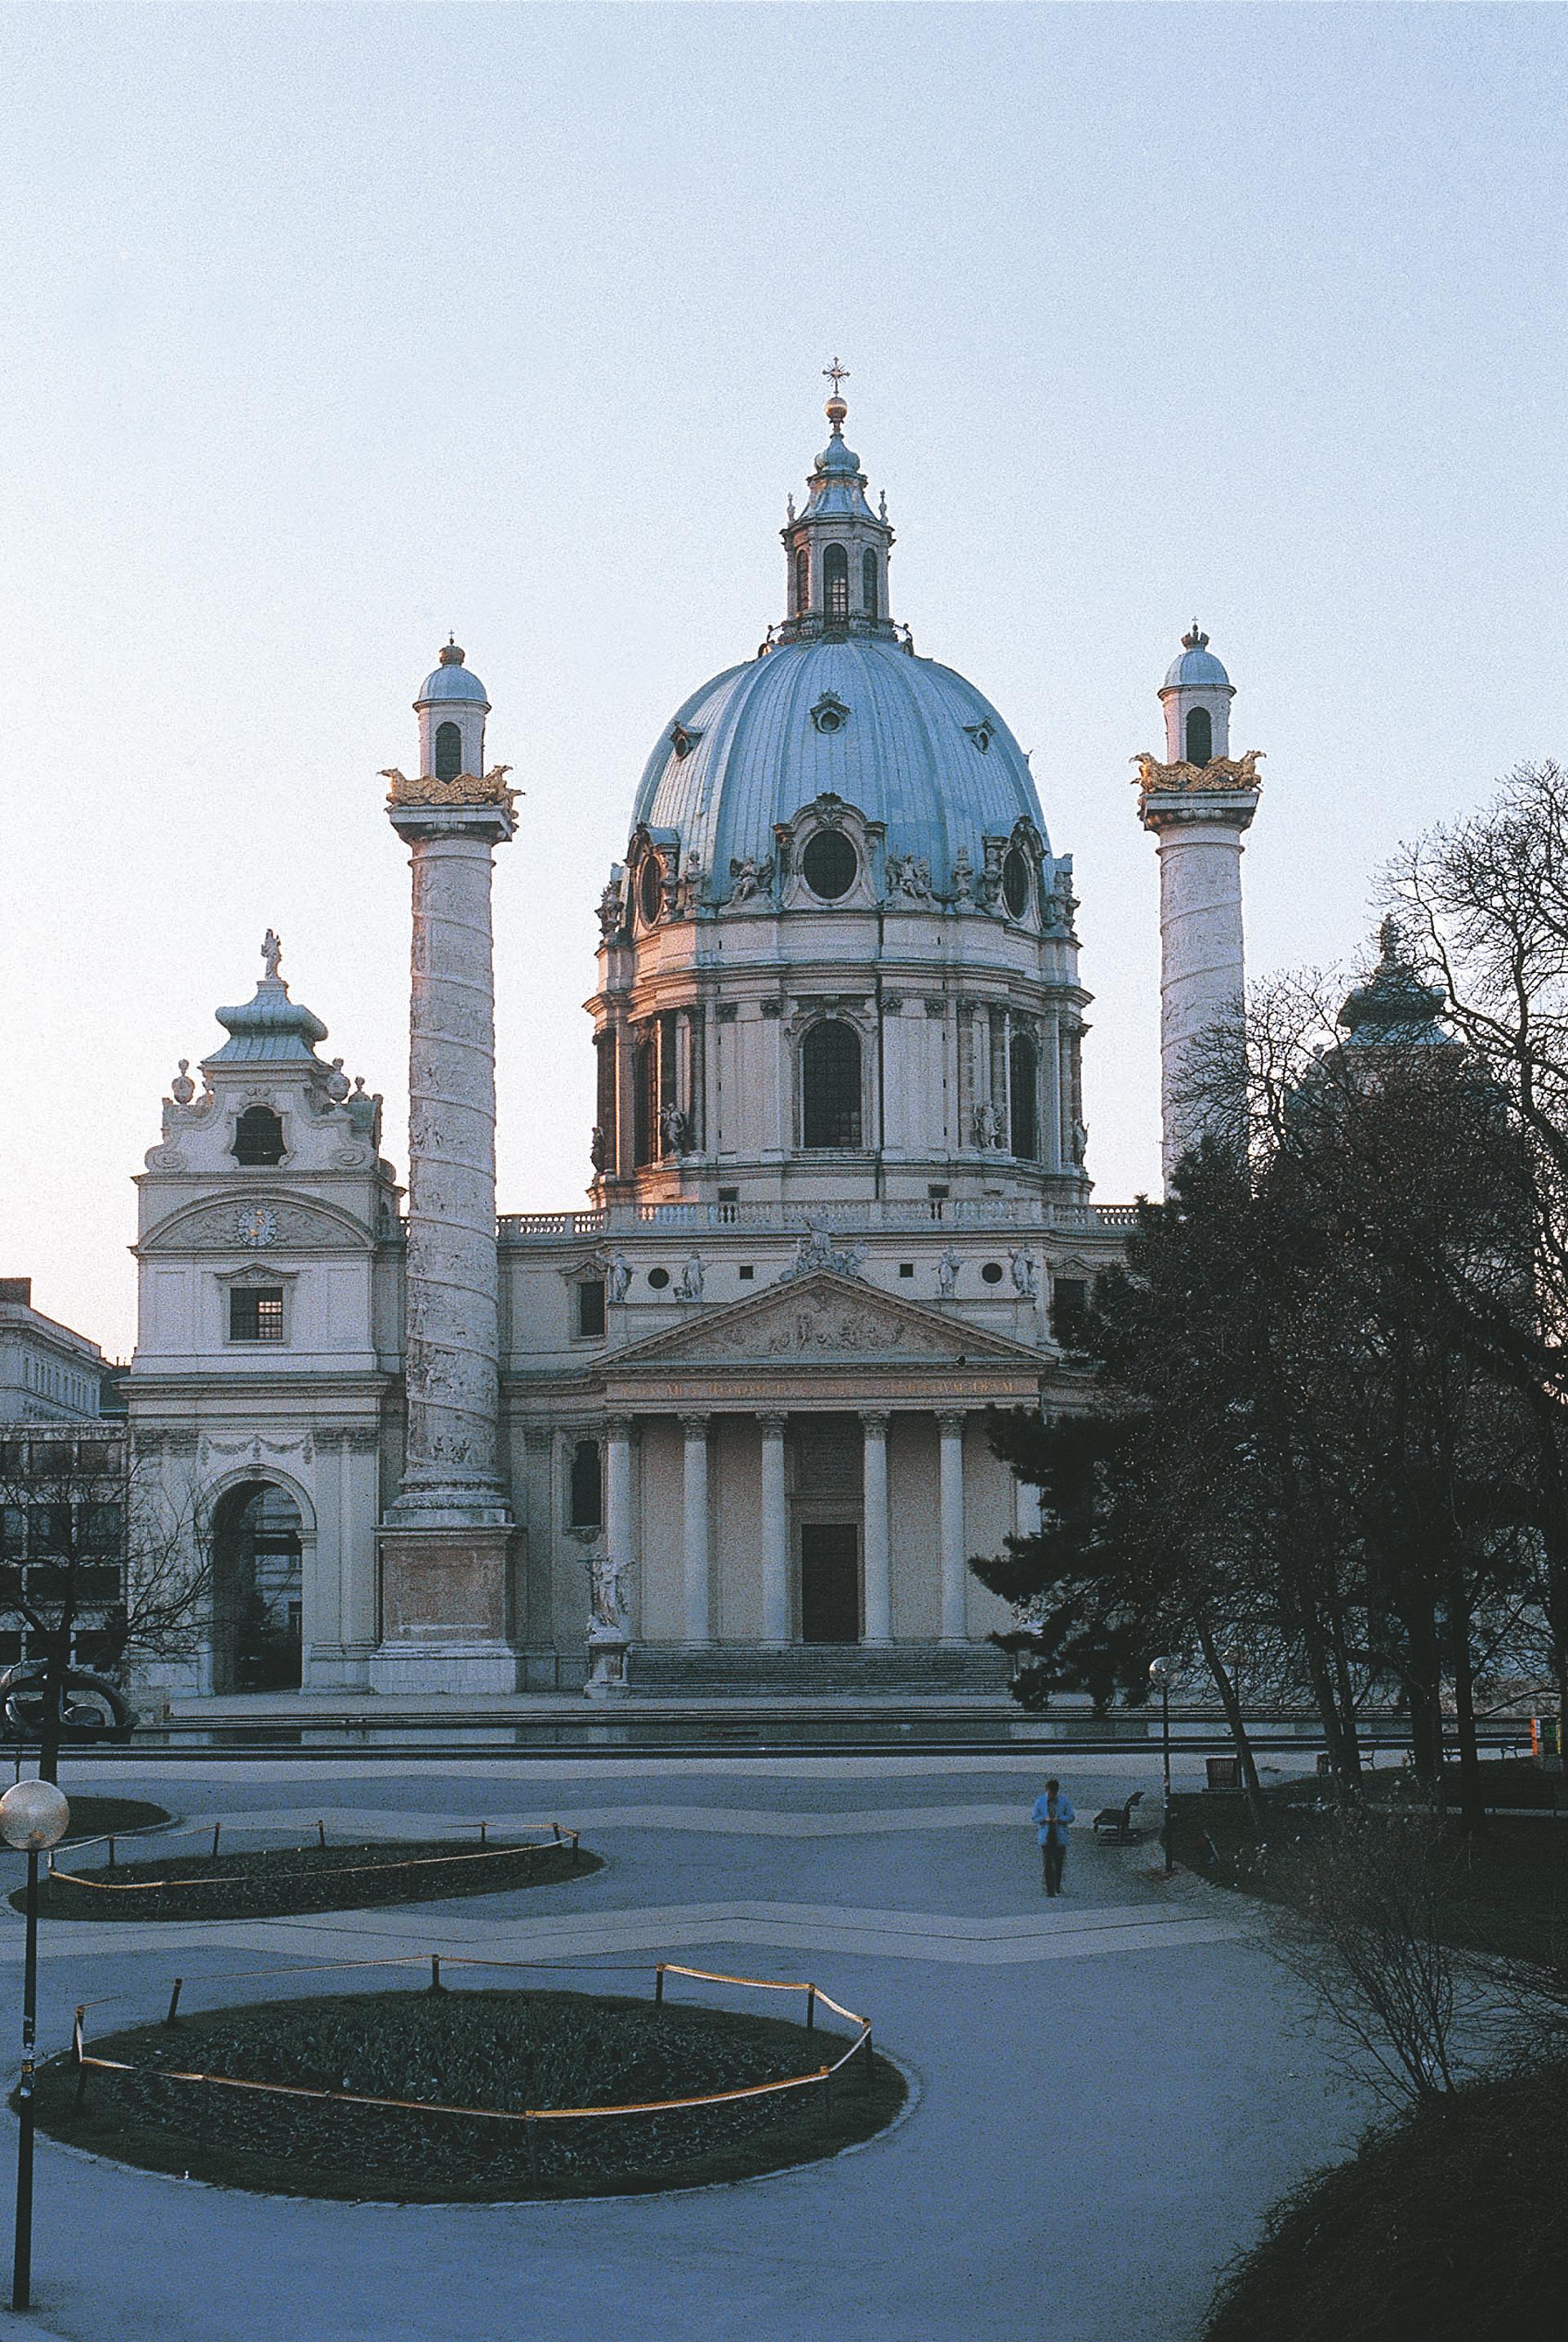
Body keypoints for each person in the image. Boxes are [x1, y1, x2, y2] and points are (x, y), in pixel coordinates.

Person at [1031, 1778, 1076, 1896]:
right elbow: (1035, 1817)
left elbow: (1071, 1816)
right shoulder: (1040, 1801)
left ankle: (1057, 1886)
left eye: (1053, 1793)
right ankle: (1049, 1889)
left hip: (1059, 1835)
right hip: (1046, 1835)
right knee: (1047, 1863)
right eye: (1050, 1793)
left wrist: (1060, 1820)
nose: (1051, 1795)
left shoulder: (1064, 1801)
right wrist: (1044, 1819)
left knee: (1058, 1863)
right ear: (1047, 1790)